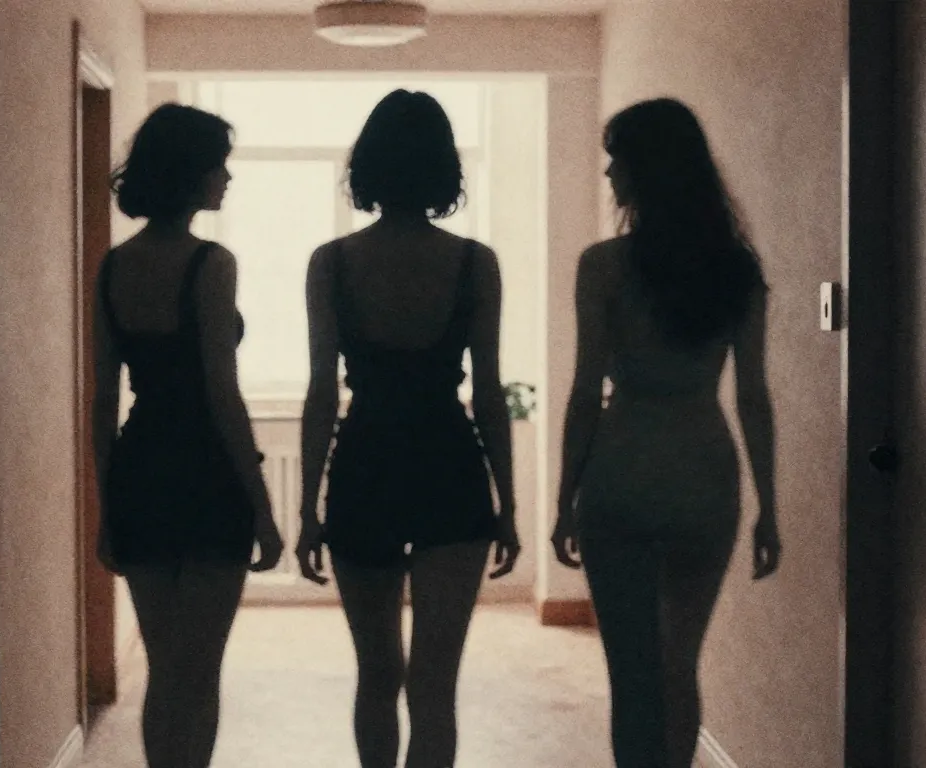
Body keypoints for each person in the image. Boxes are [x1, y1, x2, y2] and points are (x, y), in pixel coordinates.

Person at [551, 98, 781, 768]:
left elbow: (585, 392)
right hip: (703, 471)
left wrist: (565, 496)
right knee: (679, 664)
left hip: (622, 469)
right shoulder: (735, 269)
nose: (608, 175)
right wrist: (769, 505)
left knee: (633, 674)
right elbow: (753, 395)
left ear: (647, 169)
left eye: (616, 160)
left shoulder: (603, 266)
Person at [294, 89, 521, 768]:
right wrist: (508, 503)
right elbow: (487, 394)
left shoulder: (332, 263)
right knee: (434, 685)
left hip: (365, 465)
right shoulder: (474, 263)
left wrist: (307, 508)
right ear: (443, 168)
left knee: (377, 676)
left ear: (367, 166)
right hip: (449, 465)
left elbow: (321, 394)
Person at [92, 103, 283, 768]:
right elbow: (221, 393)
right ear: (192, 172)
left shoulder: (113, 267)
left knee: (165, 667)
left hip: (141, 470)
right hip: (205, 471)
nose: (226, 177)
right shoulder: (210, 263)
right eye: (219, 165)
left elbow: (103, 400)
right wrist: (262, 507)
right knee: (198, 672)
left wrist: (107, 507)